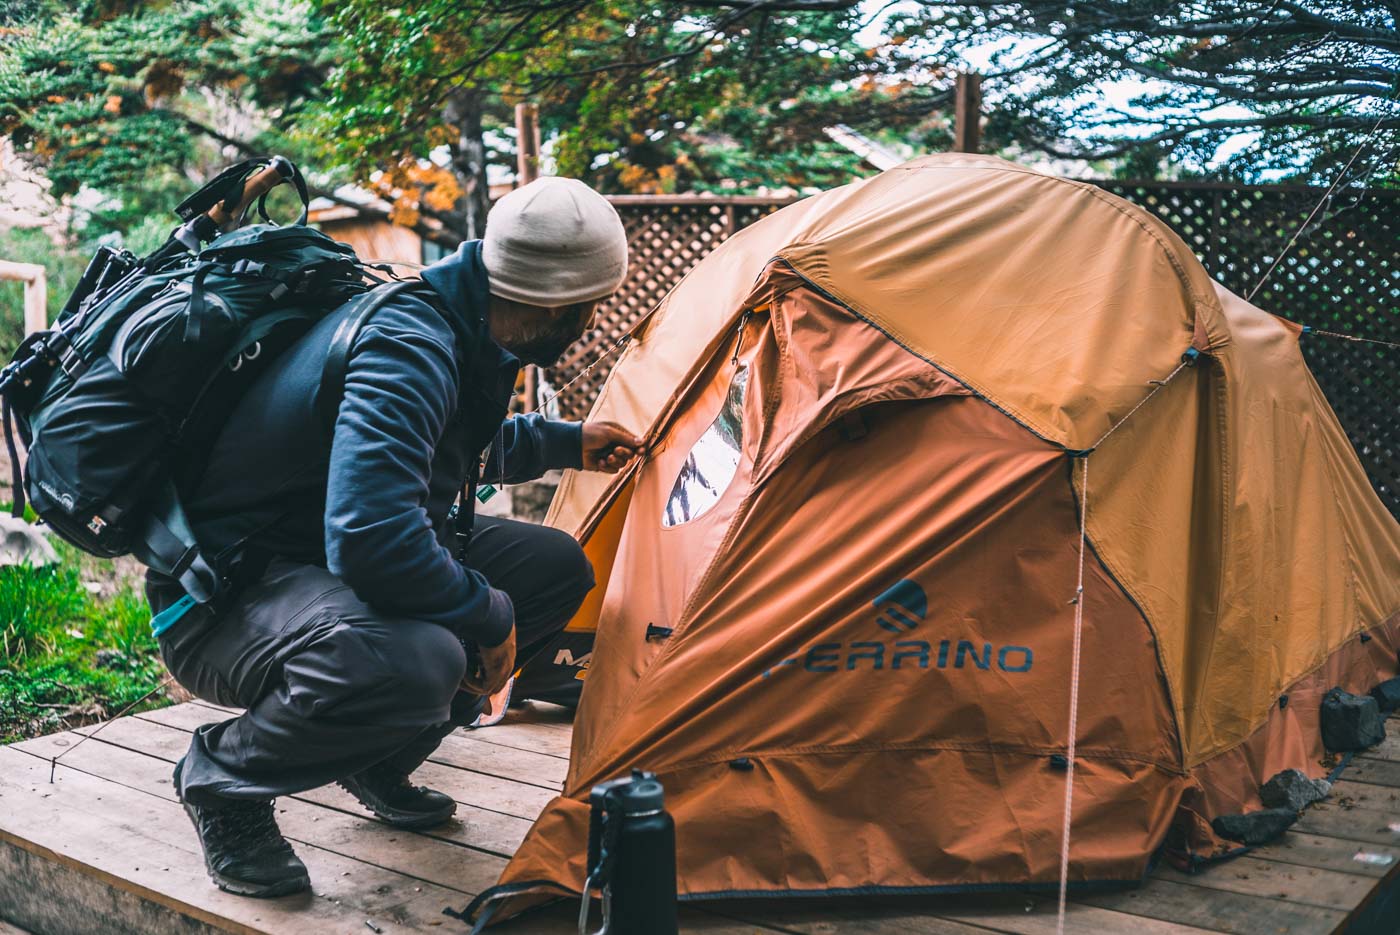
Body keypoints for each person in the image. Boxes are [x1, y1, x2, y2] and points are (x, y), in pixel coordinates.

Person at [146, 177, 642, 898]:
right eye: (589, 308)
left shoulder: (459, 320)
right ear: (555, 303)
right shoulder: (409, 342)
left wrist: (564, 442)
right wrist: (488, 613)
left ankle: (381, 755)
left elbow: (432, 442)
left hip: (312, 567)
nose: (591, 324)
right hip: (225, 596)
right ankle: (223, 782)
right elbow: (373, 538)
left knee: (551, 566)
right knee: (417, 658)